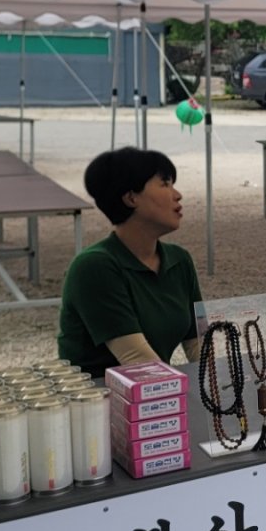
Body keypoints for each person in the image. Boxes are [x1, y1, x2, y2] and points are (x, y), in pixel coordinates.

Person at [57, 148, 202, 378]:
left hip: (156, 391)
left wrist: (220, 385)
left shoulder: (179, 260)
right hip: (98, 395)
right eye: (165, 184)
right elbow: (139, 362)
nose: (177, 195)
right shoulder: (94, 267)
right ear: (131, 198)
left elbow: (199, 344)